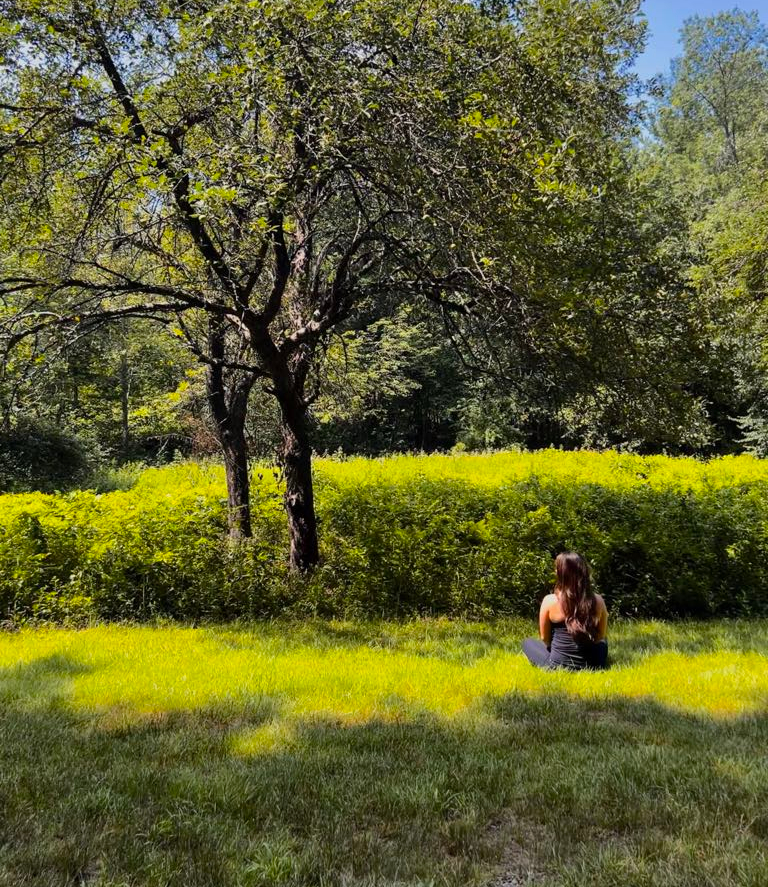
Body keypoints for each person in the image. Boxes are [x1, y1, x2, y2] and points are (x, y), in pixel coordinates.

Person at [522, 551, 609, 670]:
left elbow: (545, 639)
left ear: (563, 573)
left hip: (559, 665)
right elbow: (600, 636)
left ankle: (558, 659)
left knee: (527, 643)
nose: (555, 572)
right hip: (593, 665)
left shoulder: (549, 601)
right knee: (604, 643)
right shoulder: (598, 600)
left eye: (557, 569)